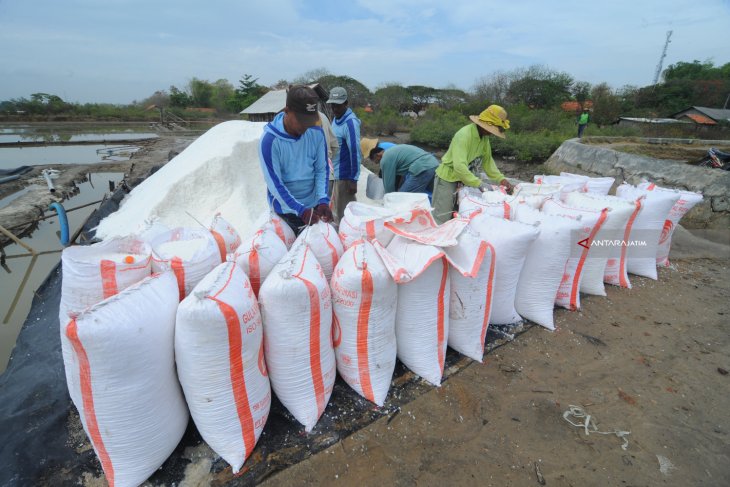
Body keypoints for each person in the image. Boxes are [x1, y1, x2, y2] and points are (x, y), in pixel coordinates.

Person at [258, 84, 333, 235]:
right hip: (286, 211)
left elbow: (321, 170)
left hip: (312, 208)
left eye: (309, 121)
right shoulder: (270, 141)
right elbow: (275, 184)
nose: (306, 127)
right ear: (287, 111)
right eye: (301, 121)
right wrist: (299, 210)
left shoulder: (316, 133)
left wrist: (323, 200)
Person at [431, 104, 513, 224]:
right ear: (485, 125)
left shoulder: (484, 138)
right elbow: (459, 167)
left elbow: (488, 162)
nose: (492, 133)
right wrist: (479, 184)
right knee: (442, 216)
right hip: (448, 177)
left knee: (458, 214)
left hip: (465, 178)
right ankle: (435, 239)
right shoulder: (464, 135)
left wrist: (501, 179)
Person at [328, 86, 362, 222]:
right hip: (334, 174)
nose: (334, 109)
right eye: (332, 106)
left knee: (346, 216)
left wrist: (353, 179)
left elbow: (355, 151)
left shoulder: (350, 123)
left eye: (338, 106)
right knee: (336, 212)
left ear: (346, 103)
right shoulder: (335, 120)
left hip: (345, 177)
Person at [368, 144, 439, 194]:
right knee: (434, 193)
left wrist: (389, 200)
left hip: (422, 167)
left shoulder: (385, 158)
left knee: (402, 197)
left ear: (378, 156)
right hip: (434, 164)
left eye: (377, 162)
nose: (379, 164)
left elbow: (389, 184)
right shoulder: (393, 151)